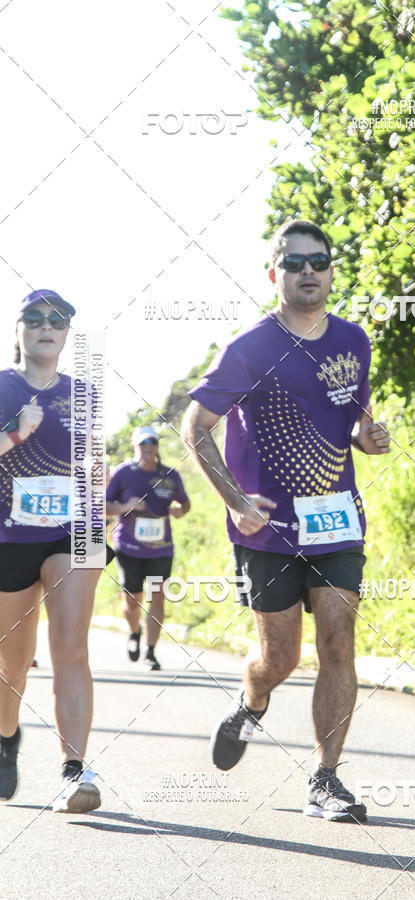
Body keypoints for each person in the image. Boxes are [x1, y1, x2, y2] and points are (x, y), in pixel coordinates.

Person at [182, 219, 389, 823]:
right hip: (267, 528)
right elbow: (196, 428)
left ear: (330, 271)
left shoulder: (353, 341)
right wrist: (234, 502)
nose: (307, 271)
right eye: (294, 262)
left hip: (336, 522)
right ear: (274, 273)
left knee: (338, 642)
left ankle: (325, 780)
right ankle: (251, 703)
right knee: (279, 658)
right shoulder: (250, 348)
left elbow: (351, 419)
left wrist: (366, 436)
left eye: (318, 261)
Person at [0, 289, 110, 813]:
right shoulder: (1, 387)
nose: (48, 326)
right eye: (36, 318)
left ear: (67, 333)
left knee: (70, 644)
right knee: (12, 664)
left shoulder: (84, 394)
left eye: (58, 319)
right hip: (7, 535)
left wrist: (100, 503)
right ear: (18, 329)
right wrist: (14, 436)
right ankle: (5, 738)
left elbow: (93, 468)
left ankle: (74, 770)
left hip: (71, 532)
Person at [106, 426, 190, 670]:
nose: (147, 447)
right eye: (142, 442)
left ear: (157, 446)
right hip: (129, 547)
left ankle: (151, 652)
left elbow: (185, 503)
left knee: (157, 598)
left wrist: (180, 510)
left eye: (152, 442)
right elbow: (103, 505)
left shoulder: (170, 475)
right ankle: (134, 633)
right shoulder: (123, 473)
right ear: (135, 446)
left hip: (160, 549)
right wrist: (126, 505)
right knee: (132, 600)